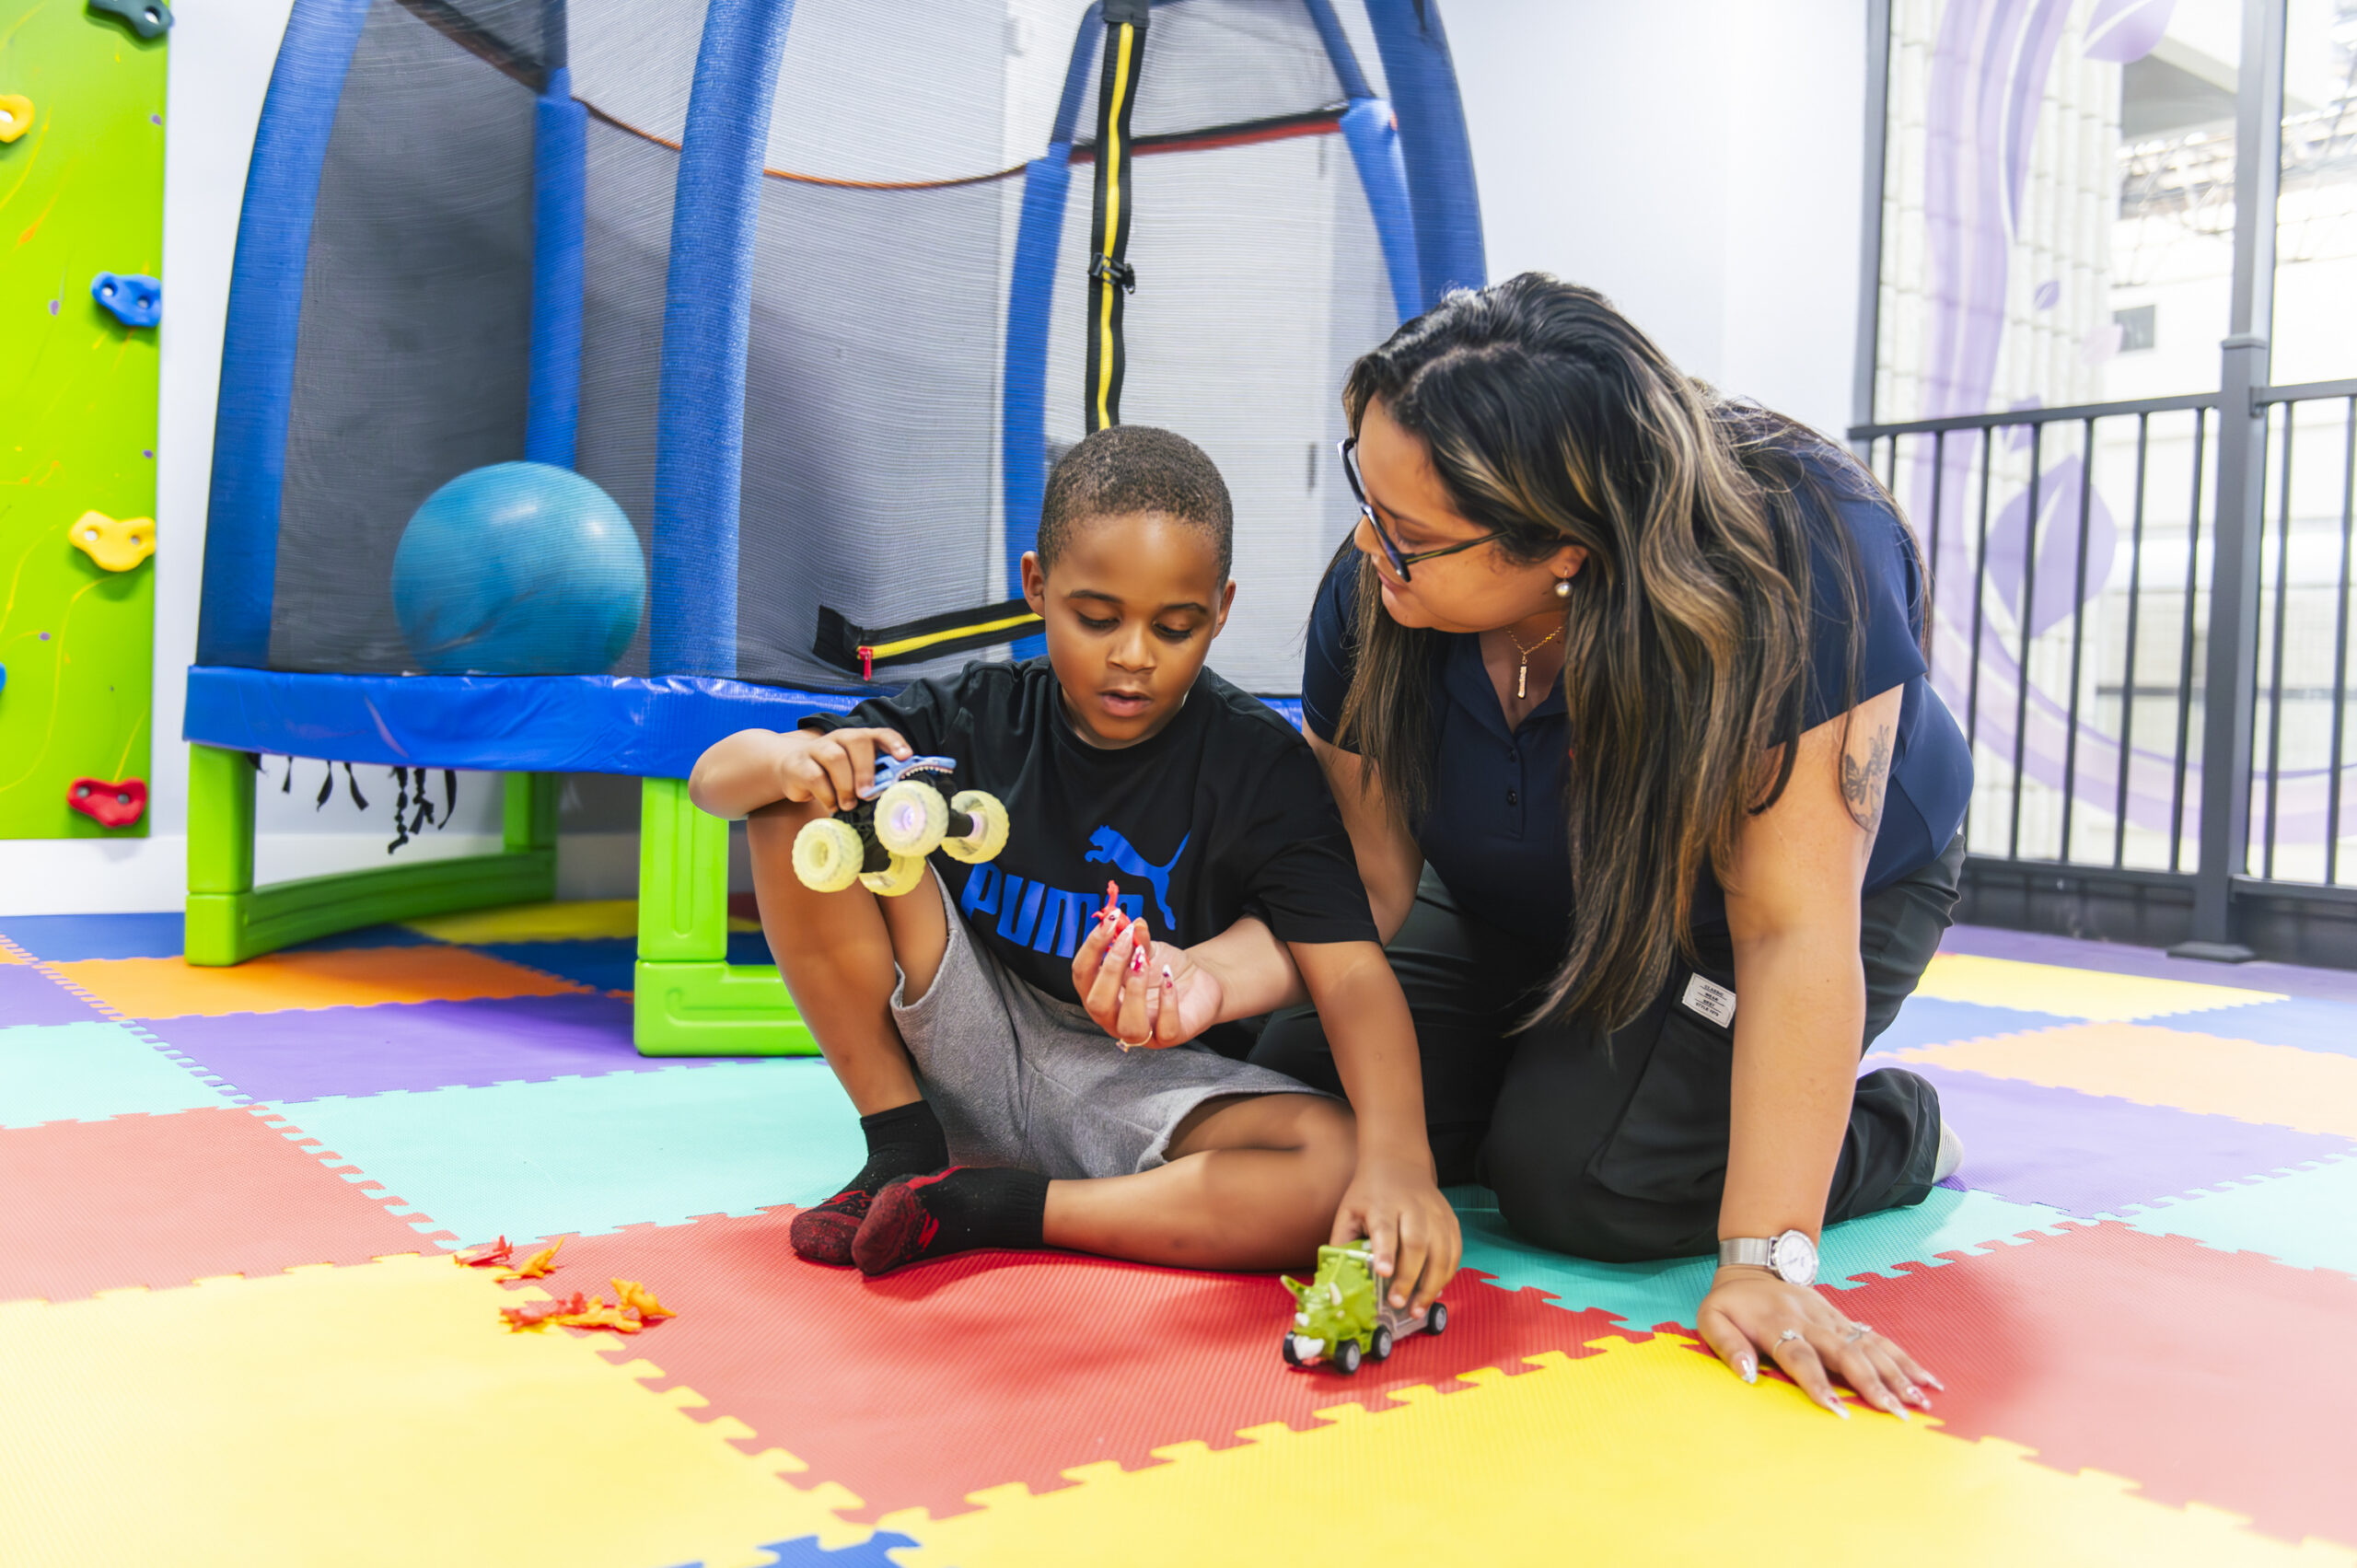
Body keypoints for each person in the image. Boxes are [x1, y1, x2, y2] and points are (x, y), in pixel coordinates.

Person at [1074, 275, 1972, 1421]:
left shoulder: (1801, 555)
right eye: (1367, 490)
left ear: (1564, 545)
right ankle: (1567, 1080)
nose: (1367, 546)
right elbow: (1363, 882)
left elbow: (1790, 924)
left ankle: (1894, 1129)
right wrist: (1202, 976)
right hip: (1516, 887)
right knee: (1301, 1098)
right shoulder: (1378, 591)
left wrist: (1764, 1258)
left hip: (1772, 907)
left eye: (1408, 537)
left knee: (1588, 1183)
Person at [688, 424, 1460, 1306]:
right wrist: (791, 761)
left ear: (1223, 607)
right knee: (799, 802)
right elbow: (717, 779)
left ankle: (1002, 1206)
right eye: (1097, 618)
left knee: (1340, 1160)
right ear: (1036, 587)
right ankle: (901, 1143)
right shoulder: (977, 714)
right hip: (962, 1030)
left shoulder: (1259, 769)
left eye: (1176, 627)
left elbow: (1353, 973)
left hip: (1146, 1081)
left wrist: (1404, 1161)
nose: (1132, 655)